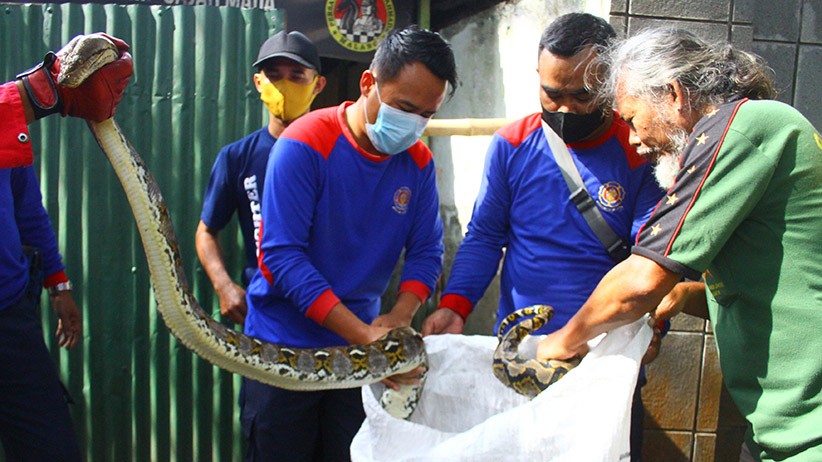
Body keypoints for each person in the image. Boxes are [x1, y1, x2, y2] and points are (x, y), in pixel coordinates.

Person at [536, 28, 822, 462]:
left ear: (673, 94)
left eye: (631, 119)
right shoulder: (745, 138)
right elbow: (774, 280)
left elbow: (641, 279)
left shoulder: (745, 126)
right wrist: (685, 295)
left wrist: (561, 341)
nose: (633, 140)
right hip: (779, 428)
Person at [421, 13, 665, 460]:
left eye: (582, 96)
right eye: (552, 94)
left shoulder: (639, 151)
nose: (565, 109)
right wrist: (454, 307)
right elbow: (483, 237)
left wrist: (657, 327)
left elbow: (652, 261)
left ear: (611, 83)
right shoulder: (512, 144)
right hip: (521, 357)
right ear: (537, 76)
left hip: (605, 359)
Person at [239, 26, 457, 462]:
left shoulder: (417, 162)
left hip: (358, 356)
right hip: (285, 354)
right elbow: (282, 258)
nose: (413, 124)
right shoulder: (304, 144)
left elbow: (427, 250)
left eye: (426, 115)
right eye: (404, 107)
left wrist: (398, 316)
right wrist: (369, 340)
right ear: (368, 84)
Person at [0, 33, 132, 461]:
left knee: (50, 446)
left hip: (11, 319)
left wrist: (59, 285)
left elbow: (27, 211)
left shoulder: (8, 133)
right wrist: (43, 89)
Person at [195, 30, 326, 325]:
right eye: (273, 75)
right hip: (266, 314)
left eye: (297, 75)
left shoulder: (339, 152)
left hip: (333, 315)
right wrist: (223, 285)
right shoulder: (237, 157)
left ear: (318, 85)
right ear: (258, 83)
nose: (284, 85)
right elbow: (206, 232)